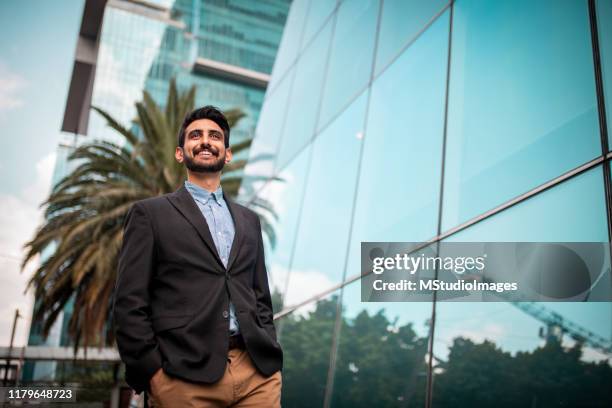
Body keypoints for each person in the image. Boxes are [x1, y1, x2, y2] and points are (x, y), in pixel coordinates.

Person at [112, 106, 283, 407]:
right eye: (196, 135)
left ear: (227, 154)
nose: (206, 141)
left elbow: (260, 297)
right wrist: (152, 373)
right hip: (182, 376)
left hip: (256, 374)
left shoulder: (249, 221)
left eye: (215, 136)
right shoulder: (150, 214)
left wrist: (269, 344)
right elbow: (129, 302)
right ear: (181, 153)